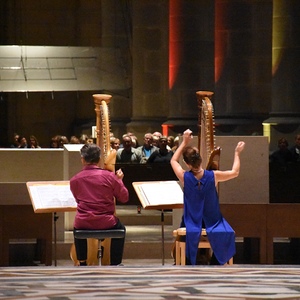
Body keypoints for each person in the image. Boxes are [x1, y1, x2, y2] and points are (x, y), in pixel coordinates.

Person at [170, 129, 245, 265]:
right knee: (228, 233)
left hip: (191, 221)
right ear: (201, 160)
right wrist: (237, 153)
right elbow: (235, 172)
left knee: (187, 235)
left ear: (187, 164)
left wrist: (184, 142)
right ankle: (215, 262)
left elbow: (173, 160)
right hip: (213, 221)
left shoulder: (184, 177)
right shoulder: (214, 176)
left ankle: (187, 260)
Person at [70, 143, 129, 266]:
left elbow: (78, 199)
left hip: (83, 222)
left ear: (82, 159)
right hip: (106, 221)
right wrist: (119, 181)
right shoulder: (110, 177)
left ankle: (82, 261)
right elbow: (124, 198)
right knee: (121, 228)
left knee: (77, 225)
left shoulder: (75, 180)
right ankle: (115, 263)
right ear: (99, 159)